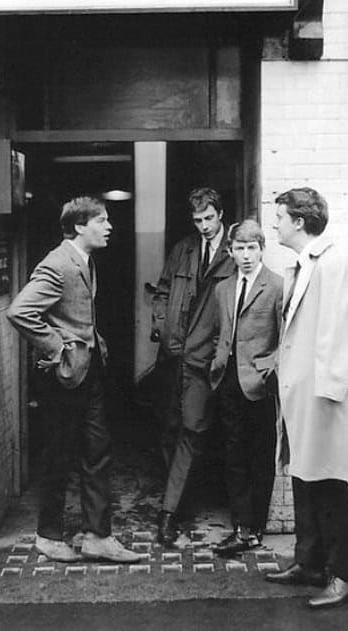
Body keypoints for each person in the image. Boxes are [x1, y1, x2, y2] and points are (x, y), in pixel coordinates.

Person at [265, 187, 348, 609]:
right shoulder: (303, 265)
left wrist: (330, 392)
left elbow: (343, 328)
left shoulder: (333, 263)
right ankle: (311, 562)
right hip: (301, 393)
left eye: (279, 216)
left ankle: (347, 574)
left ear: (299, 221)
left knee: (328, 480)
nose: (274, 223)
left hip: (321, 395)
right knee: (304, 475)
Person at [7, 196, 139, 564]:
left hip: (88, 370)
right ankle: (48, 536)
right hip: (64, 375)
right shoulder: (57, 264)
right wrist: (58, 346)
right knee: (58, 455)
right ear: (80, 226)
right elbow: (20, 311)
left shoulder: (84, 260)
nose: (109, 226)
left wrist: (91, 342)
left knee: (98, 451)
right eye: (102, 220)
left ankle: (97, 535)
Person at [152, 187, 235, 547]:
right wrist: (161, 325)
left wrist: (219, 350)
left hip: (204, 361)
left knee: (192, 430)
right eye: (197, 219)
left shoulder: (234, 255)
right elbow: (163, 290)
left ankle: (168, 512)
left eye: (209, 218)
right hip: (173, 357)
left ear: (220, 215)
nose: (203, 225)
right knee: (170, 429)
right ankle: (179, 501)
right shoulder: (183, 249)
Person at [209, 220, 282, 556]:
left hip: (259, 384)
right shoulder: (222, 288)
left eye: (252, 248)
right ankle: (242, 528)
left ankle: (255, 528)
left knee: (260, 456)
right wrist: (215, 363)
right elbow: (218, 333)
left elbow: (289, 336)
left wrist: (271, 365)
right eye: (239, 248)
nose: (246, 255)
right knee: (233, 456)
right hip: (227, 382)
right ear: (230, 251)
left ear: (262, 249)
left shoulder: (278, 286)